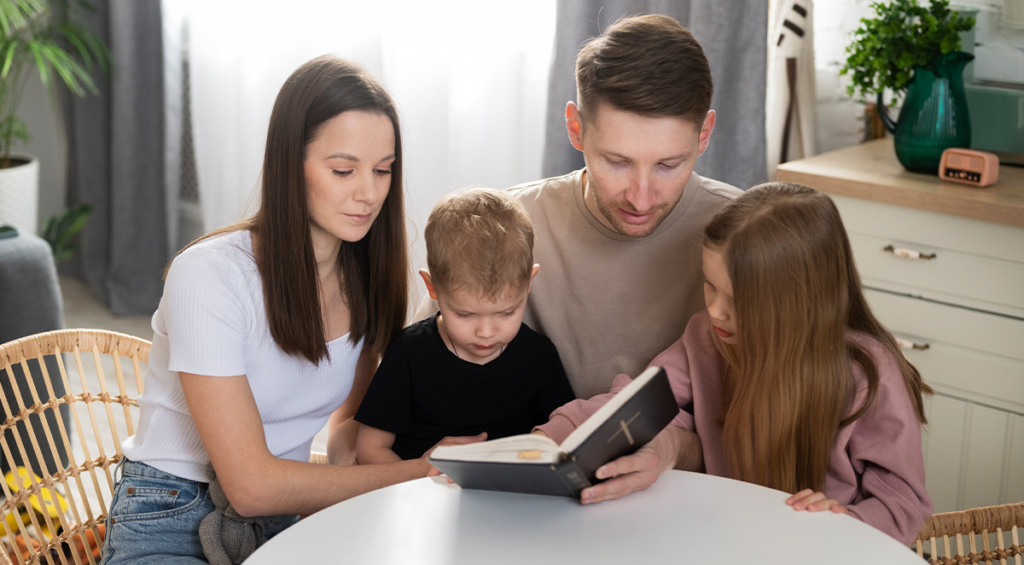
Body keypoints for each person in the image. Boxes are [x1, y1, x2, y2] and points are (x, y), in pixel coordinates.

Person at [100, 56, 443, 564]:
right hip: (171, 514)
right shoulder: (209, 274)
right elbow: (251, 487)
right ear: (289, 162)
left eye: (383, 170)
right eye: (343, 170)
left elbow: (352, 419)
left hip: (288, 515)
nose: (369, 193)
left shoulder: (368, 275)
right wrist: (420, 471)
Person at [414, 13, 742, 501]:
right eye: (617, 162)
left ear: (705, 135)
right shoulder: (510, 225)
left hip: (691, 500)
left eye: (669, 165)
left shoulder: (743, 236)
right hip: (523, 494)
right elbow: (422, 361)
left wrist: (676, 447)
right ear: (575, 128)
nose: (642, 196)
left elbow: (777, 425)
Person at [536, 182, 934, 545]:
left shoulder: (868, 375)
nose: (716, 310)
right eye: (710, 285)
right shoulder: (706, 337)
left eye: (739, 299)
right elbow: (639, 401)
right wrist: (545, 440)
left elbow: (904, 504)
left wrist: (842, 522)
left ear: (802, 299)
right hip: (728, 541)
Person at [356, 188, 575, 463]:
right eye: (465, 315)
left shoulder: (538, 357)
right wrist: (419, 474)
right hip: (421, 495)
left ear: (530, 282)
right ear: (432, 287)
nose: (486, 332)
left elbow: (567, 437)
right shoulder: (409, 353)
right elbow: (369, 450)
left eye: (506, 312)